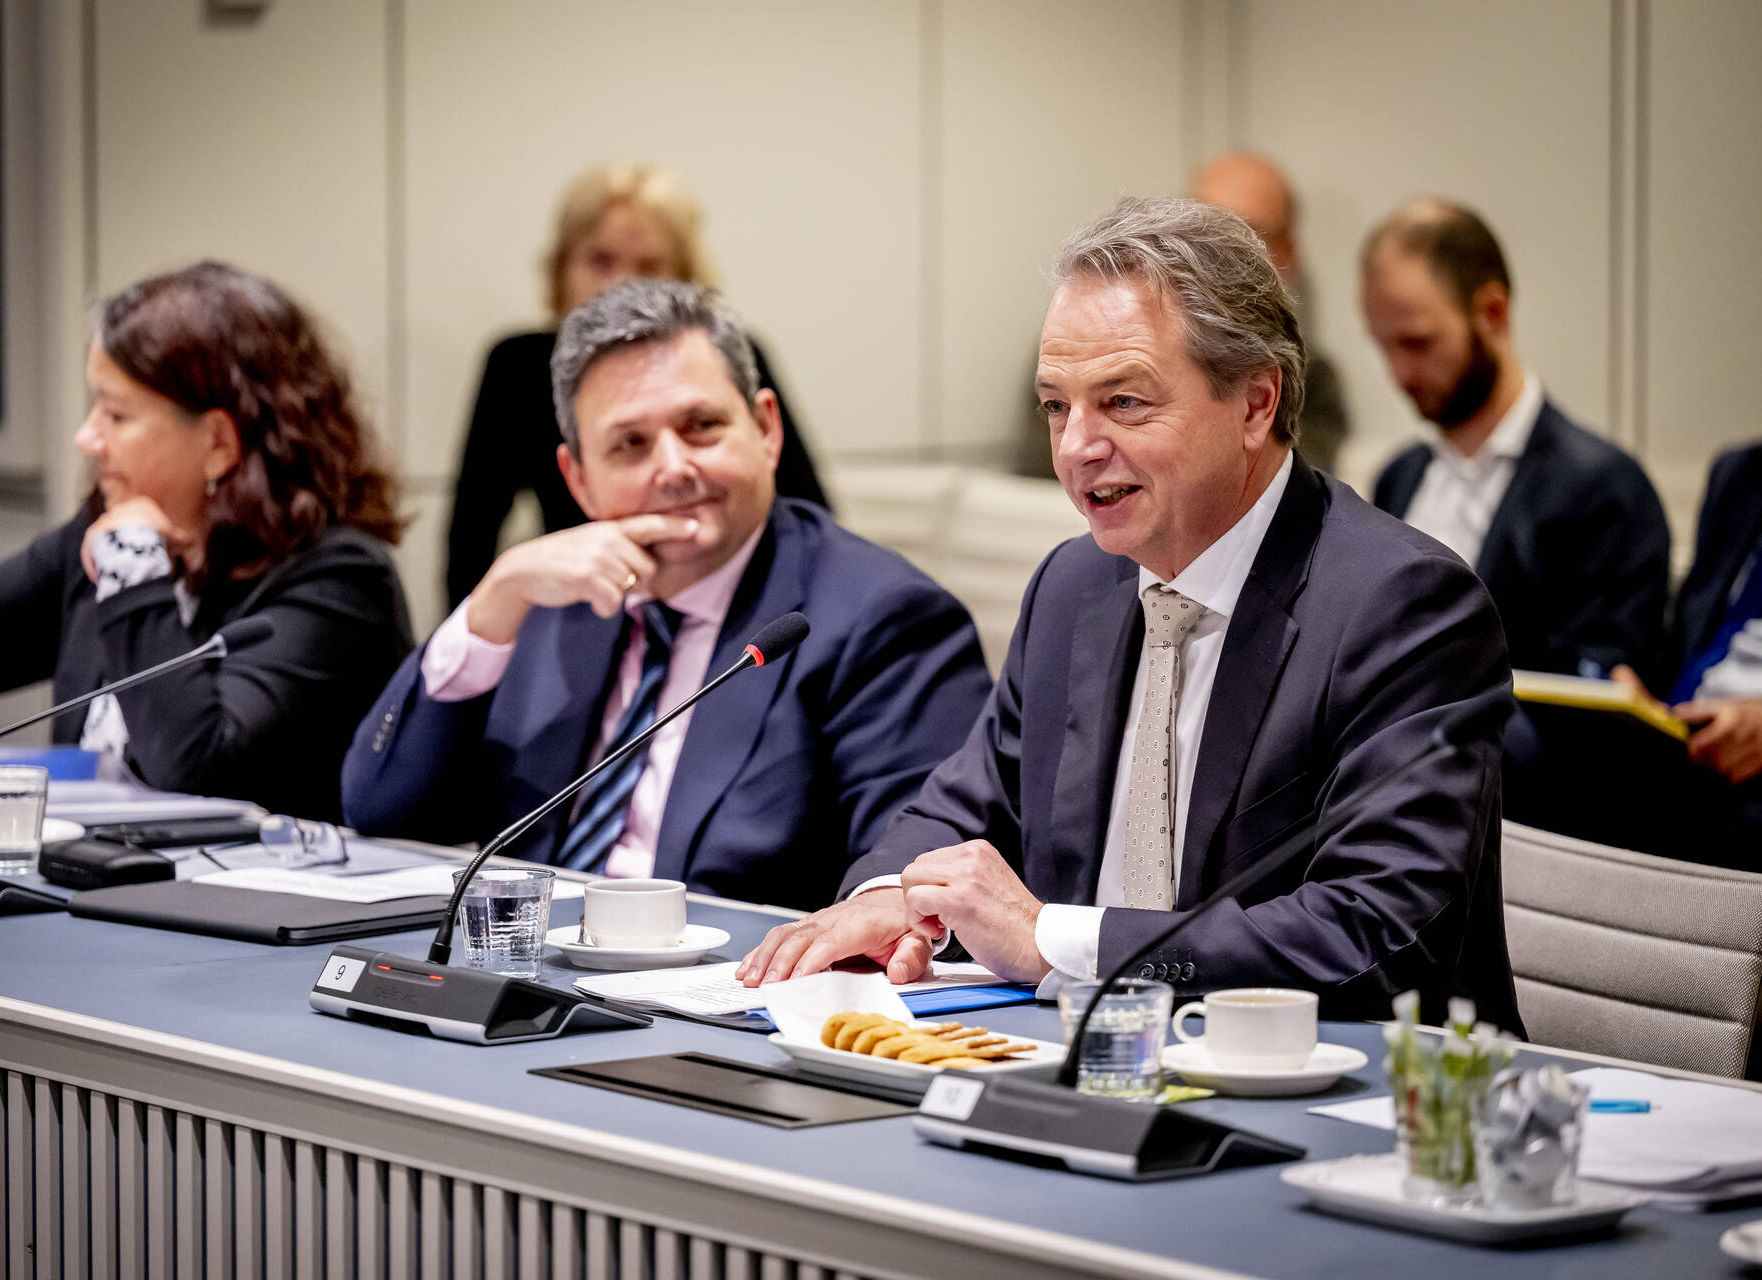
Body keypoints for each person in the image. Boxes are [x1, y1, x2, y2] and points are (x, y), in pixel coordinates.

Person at [738, 197, 1521, 1030]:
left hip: (1347, 1101)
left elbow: (1377, 934)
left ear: (1256, 403)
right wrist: (890, 894)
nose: (1076, 446)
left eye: (1124, 402)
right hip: (1075, 1067)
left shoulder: (1402, 606)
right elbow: (960, 805)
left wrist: (1056, 941)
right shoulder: (1076, 585)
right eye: (1056, 406)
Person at [344, 280, 990, 910]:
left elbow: (915, 882)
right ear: (579, 479)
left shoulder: (884, 617)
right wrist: (491, 605)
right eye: (631, 444)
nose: (675, 467)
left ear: (766, 429)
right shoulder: (546, 601)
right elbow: (379, 808)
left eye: (702, 425)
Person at [0, 262, 415, 821]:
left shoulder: (338, 583)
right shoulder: (100, 537)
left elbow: (192, 769)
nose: (87, 437)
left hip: (258, 911)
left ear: (218, 441)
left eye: (115, 415)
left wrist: (135, 566)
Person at [443, 162, 830, 612]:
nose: (620, 285)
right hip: (588, 610)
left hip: (734, 603)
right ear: (561, 269)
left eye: (648, 266)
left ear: (684, 277)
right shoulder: (517, 367)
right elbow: (469, 541)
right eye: (600, 261)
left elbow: (810, 515)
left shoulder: (728, 355)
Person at [1364, 198, 1669, 679]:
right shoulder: (1398, 478)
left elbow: (1602, 690)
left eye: (1417, 342)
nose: (1398, 374)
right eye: (1383, 346)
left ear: (1493, 312)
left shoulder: (1605, 490)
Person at [1514, 441, 1762, 864]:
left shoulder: (1603, 482)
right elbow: (1691, 635)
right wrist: (1635, 688)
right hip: (1685, 741)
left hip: (1743, 785)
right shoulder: (1741, 474)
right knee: (1508, 742)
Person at [1192, 151, 1350, 474]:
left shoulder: (1311, 379)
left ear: (1289, 253)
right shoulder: (1116, 348)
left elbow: (1289, 475)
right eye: (1202, 228)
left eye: (1248, 235)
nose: (1218, 254)